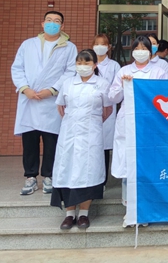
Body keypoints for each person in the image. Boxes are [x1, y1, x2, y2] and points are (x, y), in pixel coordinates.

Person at [11, 11, 77, 196]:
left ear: (62, 26)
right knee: (29, 142)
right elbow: (17, 68)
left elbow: (70, 71)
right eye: (49, 20)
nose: (52, 24)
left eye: (56, 21)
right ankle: (30, 177)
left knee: (51, 141)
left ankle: (49, 175)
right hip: (29, 99)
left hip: (51, 101)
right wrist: (25, 88)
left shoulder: (69, 47)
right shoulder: (28, 44)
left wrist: (53, 90)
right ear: (42, 23)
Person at [109, 36, 166, 227]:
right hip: (128, 121)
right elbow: (113, 97)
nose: (140, 52)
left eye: (144, 48)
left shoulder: (158, 72)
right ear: (132, 51)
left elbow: (163, 96)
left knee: (148, 165)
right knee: (129, 165)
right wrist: (123, 85)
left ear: (151, 52)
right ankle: (130, 210)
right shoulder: (124, 71)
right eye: (137, 48)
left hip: (149, 123)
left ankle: (146, 209)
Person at [52, 49, 112, 230]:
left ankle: (84, 213)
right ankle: (69, 214)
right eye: (79, 63)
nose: (83, 66)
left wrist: (91, 122)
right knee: (67, 168)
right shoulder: (68, 83)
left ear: (95, 65)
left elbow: (107, 109)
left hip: (91, 133)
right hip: (69, 133)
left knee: (88, 170)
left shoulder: (102, 83)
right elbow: (61, 107)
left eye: (87, 62)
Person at [92, 33, 121, 187]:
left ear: (109, 47)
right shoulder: (89, 63)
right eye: (97, 44)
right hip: (91, 107)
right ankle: (92, 178)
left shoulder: (114, 65)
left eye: (103, 44)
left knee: (104, 146)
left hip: (108, 107)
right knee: (91, 144)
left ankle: (102, 181)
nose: (100, 47)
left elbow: (117, 87)